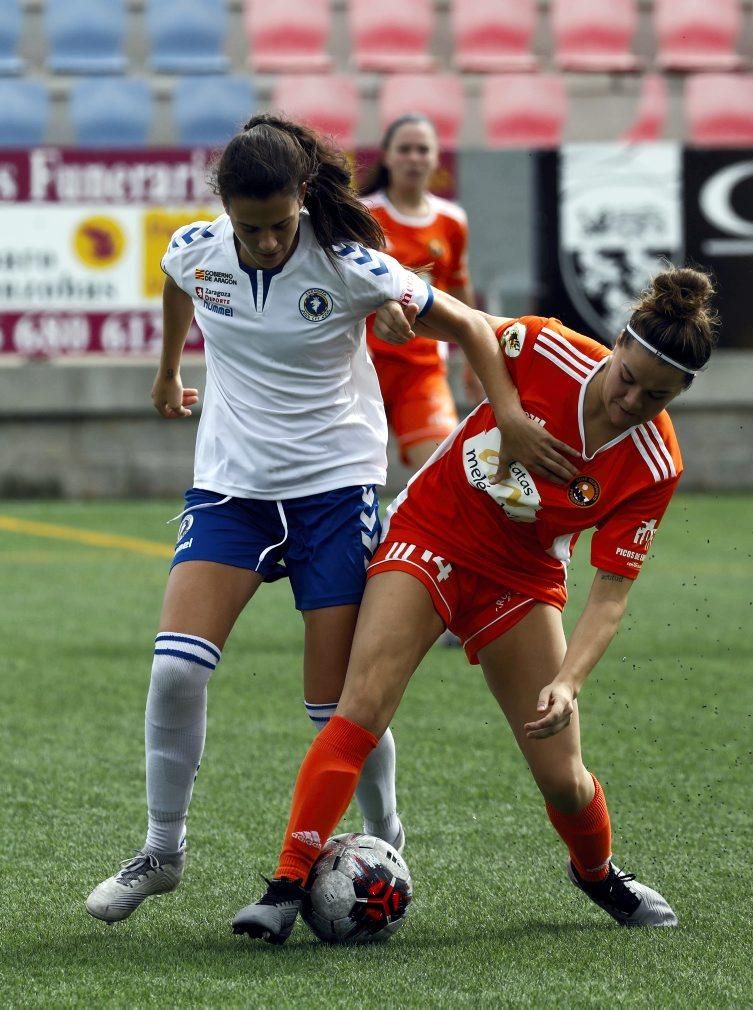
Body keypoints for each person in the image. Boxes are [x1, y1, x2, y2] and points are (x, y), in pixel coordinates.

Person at [85, 114, 579, 925]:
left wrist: (512, 417)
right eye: (253, 228)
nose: (270, 241)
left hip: (333, 492)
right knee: (175, 669)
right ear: (225, 211)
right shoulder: (194, 248)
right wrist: (169, 371)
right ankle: (162, 852)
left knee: (338, 709)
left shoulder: (351, 262)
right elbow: (179, 286)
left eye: (282, 224)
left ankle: (385, 833)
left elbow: (467, 323)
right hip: (231, 490)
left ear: (303, 200)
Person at [231, 266, 719, 942]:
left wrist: (568, 683)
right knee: (363, 706)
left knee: (564, 779)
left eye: (656, 394)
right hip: (432, 531)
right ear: (615, 346)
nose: (630, 399)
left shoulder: (655, 464)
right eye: (626, 377)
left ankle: (598, 872)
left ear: (683, 392)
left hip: (519, 581)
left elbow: (610, 598)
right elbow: (461, 322)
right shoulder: (548, 348)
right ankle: (286, 886)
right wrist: (399, 313)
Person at [360, 113, 481, 474]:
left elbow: (459, 288)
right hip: (362, 367)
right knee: (349, 476)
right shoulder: (364, 215)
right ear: (386, 156)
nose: (414, 157)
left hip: (422, 370)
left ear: (434, 158)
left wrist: (475, 359)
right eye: (405, 149)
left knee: (442, 473)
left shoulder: (451, 220)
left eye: (422, 150)